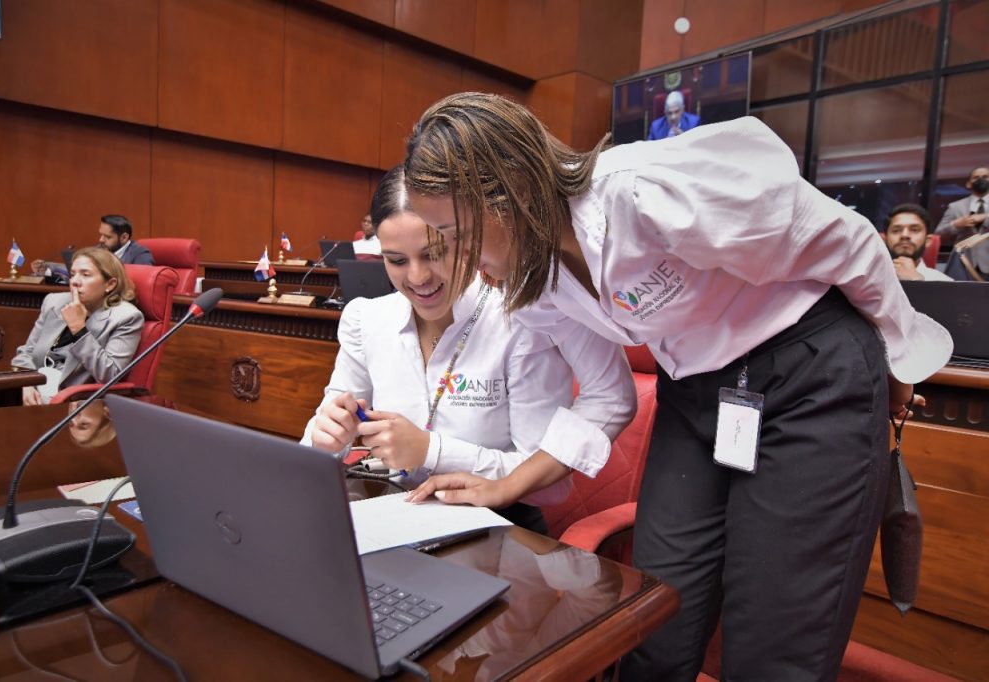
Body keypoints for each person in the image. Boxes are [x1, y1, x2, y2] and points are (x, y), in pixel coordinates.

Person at [401, 92, 951, 681]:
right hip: (697, 395)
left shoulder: (644, 193)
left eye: (455, 233)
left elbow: (846, 241)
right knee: (653, 619)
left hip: (809, 371)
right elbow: (609, 397)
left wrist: (895, 363)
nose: (452, 259)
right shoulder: (536, 281)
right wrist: (502, 485)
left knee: (774, 639)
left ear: (510, 192)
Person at [302, 166, 635, 532]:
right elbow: (315, 445)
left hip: (501, 530)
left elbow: (547, 485)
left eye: (434, 253)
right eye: (396, 260)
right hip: (397, 522)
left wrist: (431, 451)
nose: (417, 277)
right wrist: (327, 437)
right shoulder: (366, 320)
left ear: (461, 240)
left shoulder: (522, 319)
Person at [12, 247, 143, 406]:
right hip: (32, 391)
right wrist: (27, 383)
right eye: (73, 274)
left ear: (110, 284)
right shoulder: (54, 302)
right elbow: (26, 352)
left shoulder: (126, 317)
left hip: (71, 403)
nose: (74, 281)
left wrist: (79, 329)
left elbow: (110, 375)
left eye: (85, 275)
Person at [31, 214, 155, 279]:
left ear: (124, 237)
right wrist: (48, 268)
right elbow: (79, 269)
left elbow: (137, 284)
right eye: (101, 235)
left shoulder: (141, 255)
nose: (100, 240)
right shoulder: (100, 249)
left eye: (107, 237)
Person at [883, 203, 952, 282]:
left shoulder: (945, 283)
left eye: (914, 230)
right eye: (896, 230)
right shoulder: (869, 278)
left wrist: (916, 281)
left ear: (928, 241)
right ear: (885, 240)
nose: (905, 235)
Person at [935, 166, 989, 244]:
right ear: (968, 184)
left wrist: (986, 216)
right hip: (964, 255)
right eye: (976, 177)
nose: (981, 180)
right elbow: (938, 235)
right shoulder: (955, 207)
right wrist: (956, 224)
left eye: (985, 177)